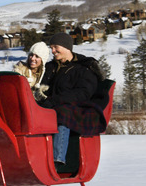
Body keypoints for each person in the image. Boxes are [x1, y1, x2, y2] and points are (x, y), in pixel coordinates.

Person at [38, 32, 108, 170]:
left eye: (55, 47)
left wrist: (54, 101)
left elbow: (83, 93)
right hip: (52, 104)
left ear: (66, 47)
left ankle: (57, 160)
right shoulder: (51, 67)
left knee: (62, 113)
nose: (53, 51)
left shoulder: (84, 69)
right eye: (51, 47)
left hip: (78, 108)